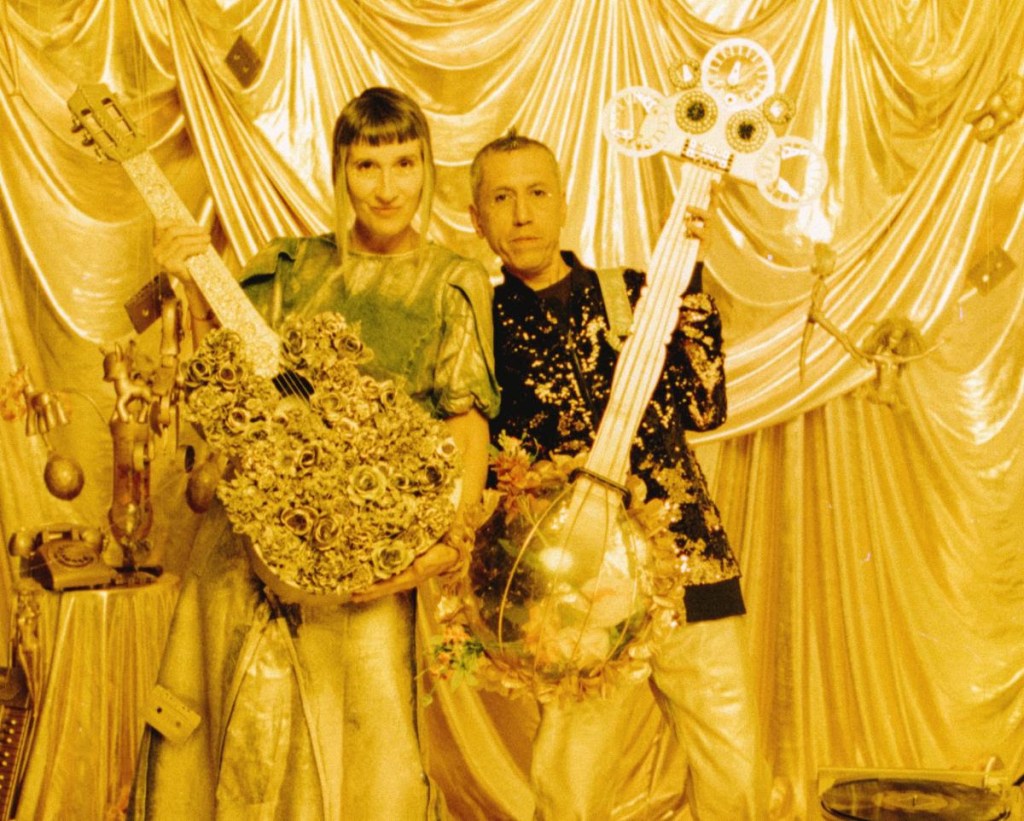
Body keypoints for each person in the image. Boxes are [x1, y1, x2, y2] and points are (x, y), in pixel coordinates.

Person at [129, 87, 499, 819]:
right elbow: (224, 386)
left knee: (367, 748)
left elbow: (466, 426)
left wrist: (438, 546)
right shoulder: (290, 267)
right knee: (242, 730)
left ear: (427, 169)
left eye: (404, 163)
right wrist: (189, 285)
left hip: (376, 553)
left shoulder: (452, 280)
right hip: (250, 549)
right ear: (340, 171)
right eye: (367, 165)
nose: (387, 188)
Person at [468, 131, 768, 820]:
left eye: (537, 192)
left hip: (689, 565)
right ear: (475, 217)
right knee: (570, 785)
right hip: (578, 592)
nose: (523, 214)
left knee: (733, 767)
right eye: (502, 198)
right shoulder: (480, 324)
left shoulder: (634, 293)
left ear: (563, 200)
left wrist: (688, 278)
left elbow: (704, 405)